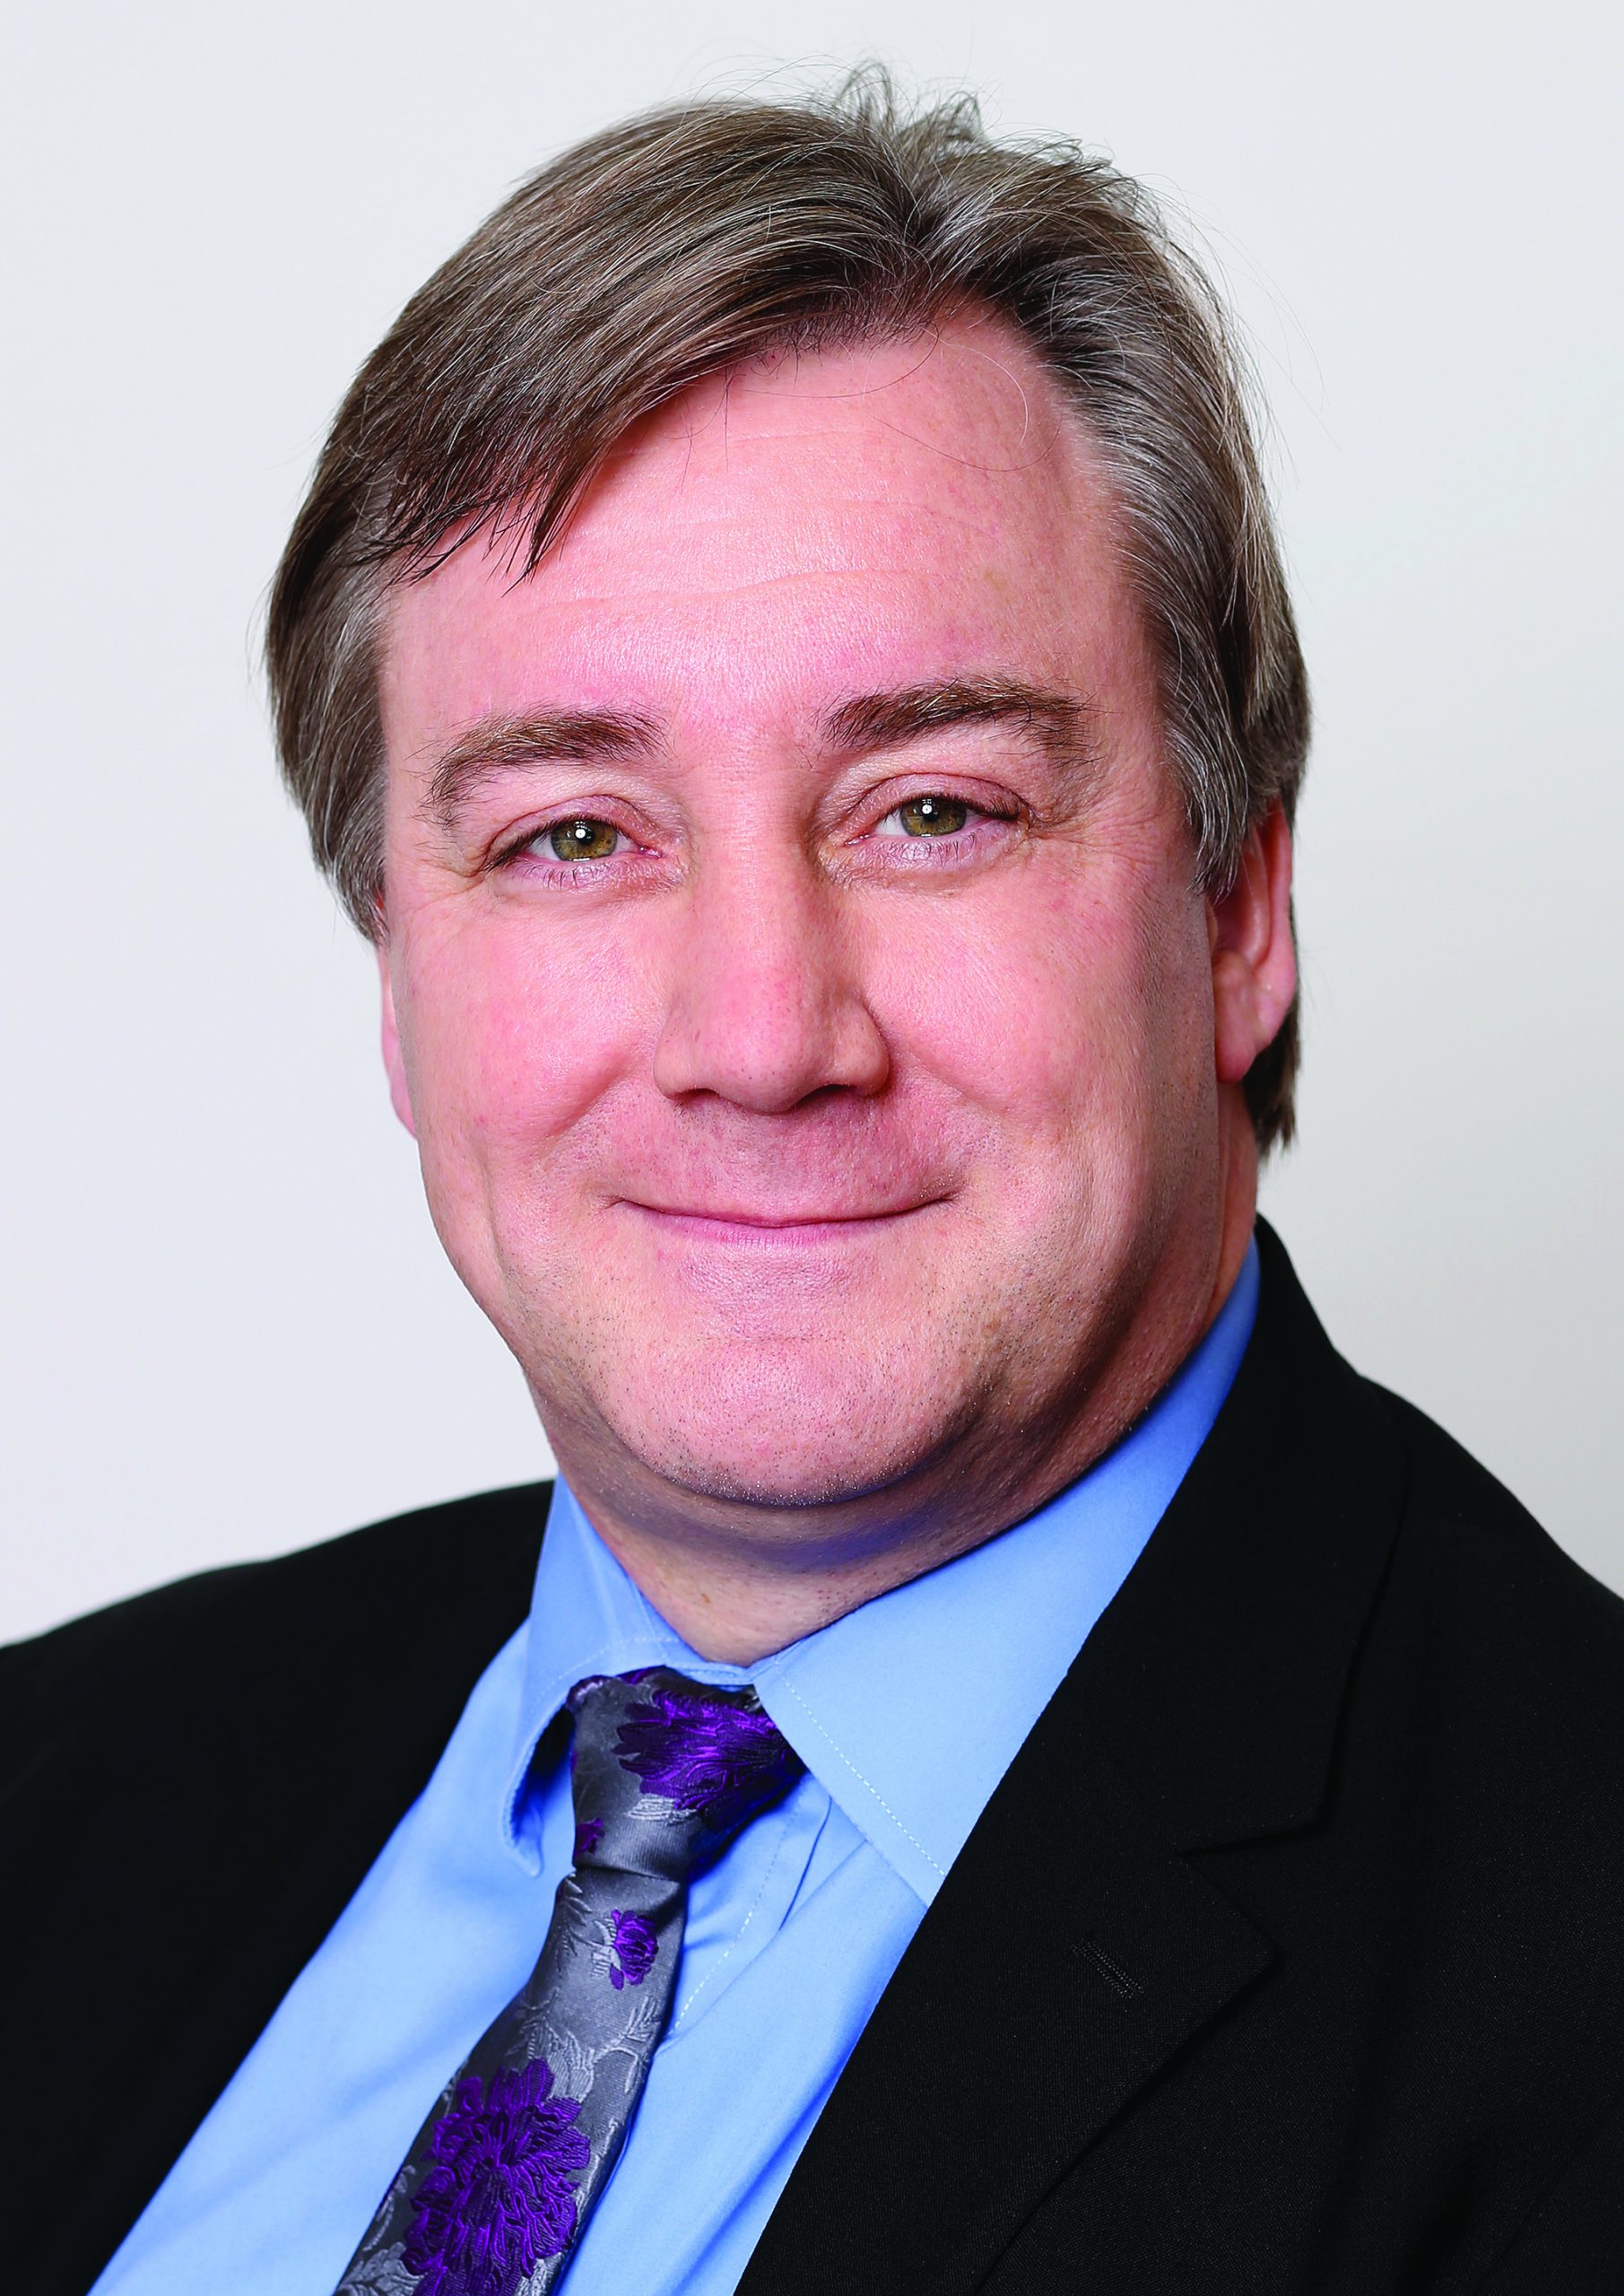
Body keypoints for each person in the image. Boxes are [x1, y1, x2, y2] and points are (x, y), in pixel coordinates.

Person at [4, 74, 1620, 2296]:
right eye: (574, 833)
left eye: (933, 810)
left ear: (1240, 911)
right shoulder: (57, 1782)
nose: (763, 1036)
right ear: (398, 974)